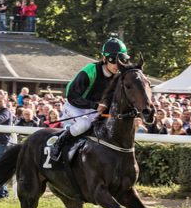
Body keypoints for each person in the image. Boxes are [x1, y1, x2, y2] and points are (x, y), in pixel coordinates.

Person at [44, 36, 129, 168]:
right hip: (74, 106)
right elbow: (72, 96)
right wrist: (95, 105)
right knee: (84, 124)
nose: (117, 65)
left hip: (94, 110)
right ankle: (59, 143)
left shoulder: (119, 77)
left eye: (121, 61)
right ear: (105, 58)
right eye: (113, 60)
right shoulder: (90, 70)